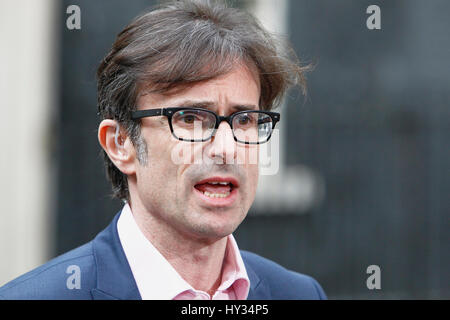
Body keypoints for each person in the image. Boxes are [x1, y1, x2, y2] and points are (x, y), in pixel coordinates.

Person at [0, 0, 326, 300]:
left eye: (245, 119)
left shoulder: (299, 294)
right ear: (120, 144)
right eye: (190, 118)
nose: (227, 148)